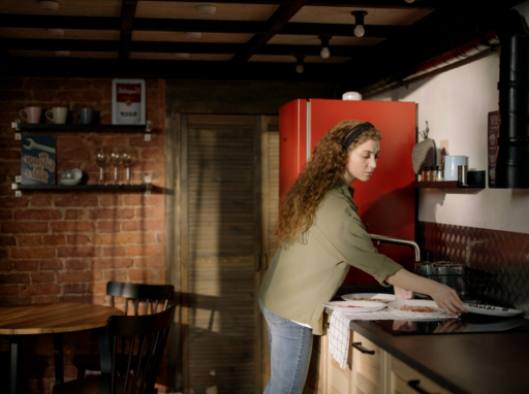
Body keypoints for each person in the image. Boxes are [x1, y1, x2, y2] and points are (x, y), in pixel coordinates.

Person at [258, 120, 465, 394]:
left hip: (278, 298)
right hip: (292, 309)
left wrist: (399, 281)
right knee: (285, 391)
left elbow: (363, 256)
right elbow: (375, 262)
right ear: (342, 154)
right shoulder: (334, 204)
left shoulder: (327, 190)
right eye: (365, 155)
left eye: (376, 156)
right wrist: (436, 289)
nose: (374, 164)